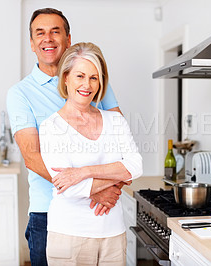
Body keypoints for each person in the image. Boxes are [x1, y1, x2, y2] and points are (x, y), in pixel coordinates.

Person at [6, 8, 124, 266]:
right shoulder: (20, 94)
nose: (47, 38)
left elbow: (121, 140)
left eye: (55, 31)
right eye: (40, 33)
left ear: (68, 40)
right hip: (49, 213)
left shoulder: (93, 81)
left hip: (102, 212)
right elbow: (33, 157)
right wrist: (93, 191)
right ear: (32, 43)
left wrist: (112, 187)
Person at [39, 41, 142, 266]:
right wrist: (114, 179)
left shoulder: (115, 120)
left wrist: (83, 172)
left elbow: (135, 166)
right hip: (69, 234)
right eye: (80, 76)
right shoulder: (51, 127)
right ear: (65, 77)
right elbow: (68, 186)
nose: (87, 84)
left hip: (113, 233)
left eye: (94, 77)